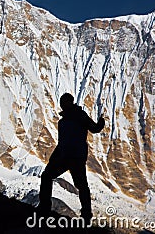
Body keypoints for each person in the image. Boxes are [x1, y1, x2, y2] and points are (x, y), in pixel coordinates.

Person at [37, 93, 105, 223]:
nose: (62, 105)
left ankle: (84, 215)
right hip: (70, 156)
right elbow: (94, 129)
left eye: (64, 102)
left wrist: (100, 123)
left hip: (70, 157)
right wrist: (101, 123)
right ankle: (85, 215)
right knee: (79, 185)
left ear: (69, 103)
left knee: (77, 184)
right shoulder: (69, 120)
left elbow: (94, 129)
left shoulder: (77, 118)